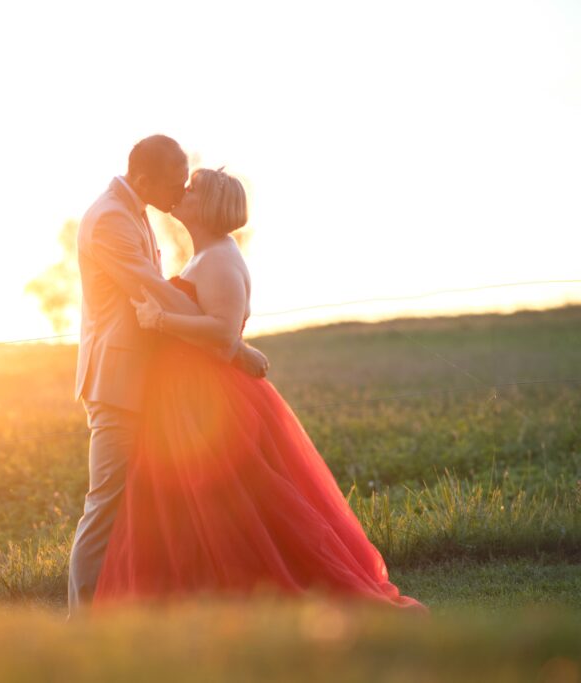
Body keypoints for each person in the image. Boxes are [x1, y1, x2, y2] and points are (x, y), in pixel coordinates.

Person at [92, 167, 426, 612]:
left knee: (237, 503)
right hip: (186, 398)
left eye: (191, 190)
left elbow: (222, 332)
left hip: (210, 399)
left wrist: (160, 321)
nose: (181, 193)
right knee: (192, 505)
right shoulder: (204, 256)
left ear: (208, 205)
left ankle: (258, 595)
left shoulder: (220, 260)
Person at [68, 135, 269, 616]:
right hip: (116, 381)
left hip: (147, 382)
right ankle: (80, 623)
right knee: (106, 505)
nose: (180, 193)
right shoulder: (111, 220)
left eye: (187, 184)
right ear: (142, 180)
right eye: (175, 183)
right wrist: (232, 344)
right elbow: (151, 289)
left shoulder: (134, 210)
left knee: (151, 505)